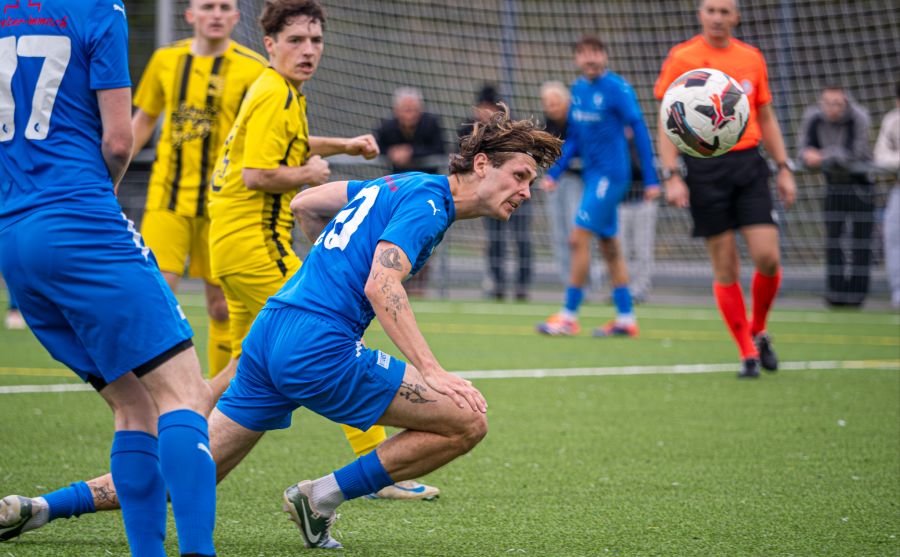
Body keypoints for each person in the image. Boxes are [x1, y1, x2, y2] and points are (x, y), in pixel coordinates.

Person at [0, 2, 432, 544]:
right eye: (296, 40)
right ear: (268, 43)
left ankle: (42, 507)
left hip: (26, 225)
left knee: (164, 398)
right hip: (209, 230)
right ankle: (359, 473)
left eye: (316, 41)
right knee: (259, 366)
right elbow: (133, 140)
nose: (309, 51)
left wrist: (339, 148)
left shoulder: (259, 79)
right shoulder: (113, 22)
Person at [218, 103, 561, 549]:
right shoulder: (430, 203)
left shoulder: (399, 184)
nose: (526, 192)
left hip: (274, 328)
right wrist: (432, 370)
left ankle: (90, 498)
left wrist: (330, 269)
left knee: (182, 475)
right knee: (468, 422)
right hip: (319, 344)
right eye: (519, 176)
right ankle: (319, 497)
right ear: (481, 165)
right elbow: (382, 284)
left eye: (531, 182)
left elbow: (306, 202)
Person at [0, 2, 217, 556]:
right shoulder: (98, 8)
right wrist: (100, 198)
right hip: (80, 219)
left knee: (134, 405)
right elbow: (120, 141)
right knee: (185, 395)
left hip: (14, 235)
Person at [655, 0, 797, 378]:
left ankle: (758, 327)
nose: (717, 17)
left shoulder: (752, 58)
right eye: (711, 10)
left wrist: (784, 168)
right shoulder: (682, 58)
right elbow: (668, 119)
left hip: (749, 163)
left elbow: (765, 114)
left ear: (736, 16)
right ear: (700, 14)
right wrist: (671, 173)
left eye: (725, 10)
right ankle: (747, 351)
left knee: (767, 256)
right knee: (726, 264)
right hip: (703, 169)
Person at [132, 0, 268, 378]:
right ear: (190, 15)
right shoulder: (165, 61)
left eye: (225, 7)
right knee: (156, 296)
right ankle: (155, 389)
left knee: (221, 307)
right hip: (167, 199)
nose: (216, 14)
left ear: (236, 18)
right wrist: (110, 171)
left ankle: (216, 399)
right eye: (208, 6)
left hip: (221, 205)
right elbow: (142, 121)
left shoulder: (253, 67)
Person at [537, 35, 660, 337]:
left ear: (604, 56)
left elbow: (640, 129)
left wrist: (653, 178)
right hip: (593, 176)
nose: (590, 59)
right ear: (576, 59)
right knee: (610, 246)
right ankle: (626, 318)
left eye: (595, 53)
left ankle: (568, 316)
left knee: (578, 238)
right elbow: (576, 138)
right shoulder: (578, 90)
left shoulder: (617, 88)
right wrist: (555, 172)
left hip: (612, 176)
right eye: (583, 54)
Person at [799, 86, 875, 307]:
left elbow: (857, 153)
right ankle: (836, 293)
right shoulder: (813, 118)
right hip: (833, 185)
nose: (832, 108)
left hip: (861, 186)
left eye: (837, 104)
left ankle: (857, 295)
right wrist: (807, 155)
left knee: (861, 241)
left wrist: (823, 156)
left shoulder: (858, 117)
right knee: (833, 239)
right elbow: (803, 150)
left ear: (846, 104)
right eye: (827, 103)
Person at [461, 84, 533, 300]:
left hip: (516, 194)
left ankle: (522, 286)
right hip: (489, 195)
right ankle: (498, 284)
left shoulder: (514, 129)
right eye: (482, 107)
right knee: (495, 240)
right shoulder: (468, 129)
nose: (485, 111)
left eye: (490, 107)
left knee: (521, 239)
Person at [374, 86, 447, 296]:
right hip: (397, 193)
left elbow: (440, 150)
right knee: (395, 237)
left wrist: (412, 153)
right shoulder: (387, 127)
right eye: (405, 110)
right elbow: (377, 146)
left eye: (414, 110)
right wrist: (391, 153)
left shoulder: (431, 124)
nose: (410, 115)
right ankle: (393, 282)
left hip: (427, 194)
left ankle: (418, 288)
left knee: (427, 239)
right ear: (397, 111)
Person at [539, 80, 585, 285]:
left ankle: (586, 282)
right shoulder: (547, 125)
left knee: (577, 234)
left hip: (579, 182)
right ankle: (568, 282)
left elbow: (571, 148)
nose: (552, 107)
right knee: (559, 235)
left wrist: (553, 175)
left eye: (555, 102)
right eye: (548, 103)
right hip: (556, 185)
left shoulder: (577, 120)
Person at [618, 129, 658, 303]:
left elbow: (644, 164)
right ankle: (621, 288)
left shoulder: (641, 136)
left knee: (642, 248)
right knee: (620, 249)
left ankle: (640, 288)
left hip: (642, 200)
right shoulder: (613, 136)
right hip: (619, 202)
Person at [874, 83, 900, 309]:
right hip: (898, 189)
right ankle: (898, 294)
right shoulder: (892, 121)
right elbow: (881, 157)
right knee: (893, 240)